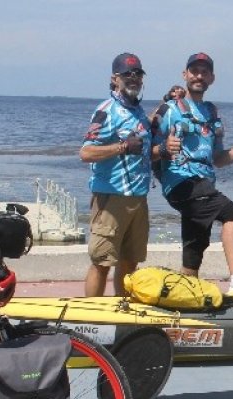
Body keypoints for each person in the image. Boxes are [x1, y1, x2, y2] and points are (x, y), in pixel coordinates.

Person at [153, 52, 233, 290]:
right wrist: (163, 148)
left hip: (204, 183)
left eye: (204, 72)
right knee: (232, 213)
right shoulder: (170, 109)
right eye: (194, 71)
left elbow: (218, 159)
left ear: (212, 77)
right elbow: (144, 146)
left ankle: (185, 293)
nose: (199, 76)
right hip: (181, 181)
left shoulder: (211, 114)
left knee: (195, 247)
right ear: (185, 74)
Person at [78, 52, 155, 297]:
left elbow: (141, 145)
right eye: (127, 74)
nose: (133, 78)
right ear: (115, 79)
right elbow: (86, 152)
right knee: (102, 262)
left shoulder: (138, 111)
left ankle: (121, 313)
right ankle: (90, 318)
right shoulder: (106, 111)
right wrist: (121, 147)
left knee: (130, 263)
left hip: (138, 197)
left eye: (138, 74)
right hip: (111, 197)